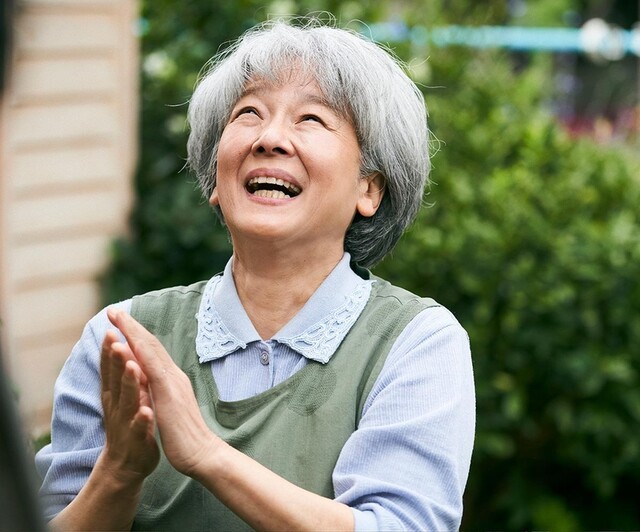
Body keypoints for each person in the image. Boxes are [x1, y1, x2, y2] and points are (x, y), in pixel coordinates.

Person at [35, 17, 475, 531]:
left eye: (311, 119)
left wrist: (205, 454)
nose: (270, 138)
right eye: (249, 113)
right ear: (214, 181)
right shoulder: (122, 341)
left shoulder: (415, 343)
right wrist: (118, 473)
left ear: (369, 190)